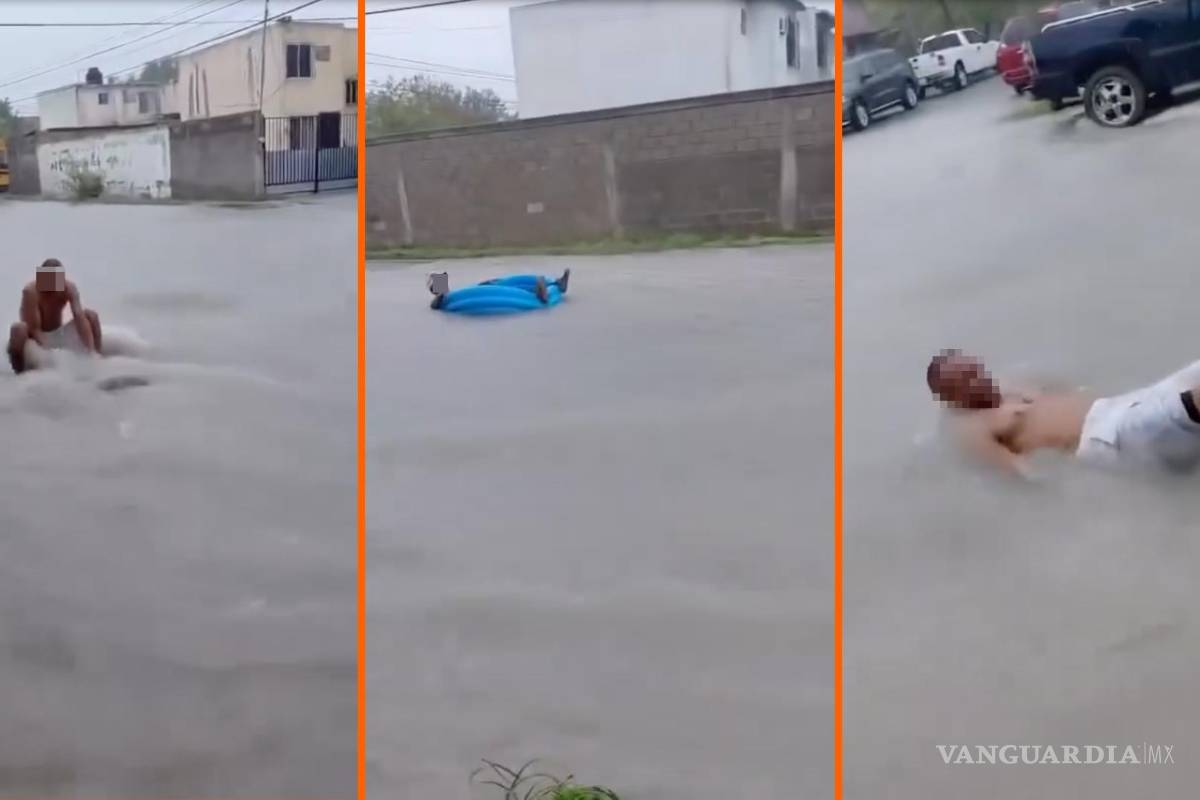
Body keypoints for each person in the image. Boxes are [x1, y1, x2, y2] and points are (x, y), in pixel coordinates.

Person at [926, 349, 1200, 477]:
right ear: (950, 397)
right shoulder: (972, 427)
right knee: (1189, 405)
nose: (977, 381)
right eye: (964, 382)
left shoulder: (1010, 384)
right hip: (1106, 438)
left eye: (974, 371)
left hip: (1117, 406)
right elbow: (1019, 473)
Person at [7, 258, 102, 374]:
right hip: (35, 338)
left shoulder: (69, 288)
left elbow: (79, 317)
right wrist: (50, 353)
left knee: (91, 315)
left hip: (58, 333)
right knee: (18, 329)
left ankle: (97, 357)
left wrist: (90, 350)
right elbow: (34, 329)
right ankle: (19, 372)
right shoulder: (30, 291)